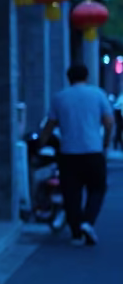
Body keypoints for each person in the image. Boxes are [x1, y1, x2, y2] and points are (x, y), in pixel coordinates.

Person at [39, 64, 115, 246]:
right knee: (97, 188)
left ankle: (76, 233)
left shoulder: (60, 97)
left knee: (71, 193)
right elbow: (109, 122)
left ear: (68, 77)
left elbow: (49, 125)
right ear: (87, 76)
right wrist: (105, 143)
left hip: (68, 153)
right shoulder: (98, 94)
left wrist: (41, 142)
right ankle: (88, 222)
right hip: (93, 151)